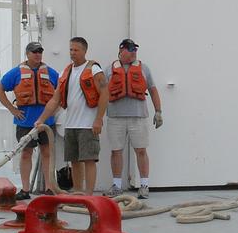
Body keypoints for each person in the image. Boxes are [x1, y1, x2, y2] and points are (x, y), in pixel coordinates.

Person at [40, 37, 107, 194]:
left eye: (76, 50)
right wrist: (41, 119)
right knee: (74, 161)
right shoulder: (66, 71)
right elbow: (56, 99)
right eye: (71, 49)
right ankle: (78, 192)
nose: (72, 53)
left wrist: (98, 119)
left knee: (89, 160)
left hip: (88, 125)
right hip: (70, 125)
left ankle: (89, 195)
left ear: (84, 51)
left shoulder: (94, 70)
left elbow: (105, 93)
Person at [0, 41, 59, 199]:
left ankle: (49, 189)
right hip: (24, 121)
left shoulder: (51, 73)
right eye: (34, 51)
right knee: (25, 153)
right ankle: (25, 189)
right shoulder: (16, 73)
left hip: (46, 122)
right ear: (27, 54)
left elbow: (60, 94)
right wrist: (12, 109)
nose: (38, 54)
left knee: (47, 153)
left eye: (40, 51)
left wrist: (54, 111)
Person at [105, 38, 162, 198]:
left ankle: (144, 185)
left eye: (135, 49)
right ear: (121, 50)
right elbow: (101, 92)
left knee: (141, 150)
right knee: (116, 151)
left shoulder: (144, 68)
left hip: (138, 116)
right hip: (115, 117)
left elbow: (153, 89)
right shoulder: (109, 69)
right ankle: (117, 185)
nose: (133, 52)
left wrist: (158, 111)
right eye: (130, 49)